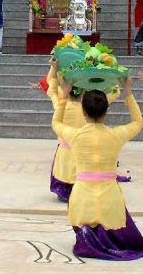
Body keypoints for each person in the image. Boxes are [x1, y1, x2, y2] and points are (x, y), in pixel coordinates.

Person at [53, 71, 143, 260]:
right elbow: (138, 123)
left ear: (83, 111)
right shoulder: (115, 135)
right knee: (112, 218)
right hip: (110, 199)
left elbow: (56, 122)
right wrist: (128, 92)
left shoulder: (75, 136)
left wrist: (64, 95)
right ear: (107, 111)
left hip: (81, 199)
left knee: (84, 216)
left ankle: (88, 241)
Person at [45, 59, 87, 202]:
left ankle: (64, 191)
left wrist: (54, 67)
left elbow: (50, 84)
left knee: (64, 168)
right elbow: (114, 93)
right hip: (83, 147)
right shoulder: (89, 107)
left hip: (64, 146)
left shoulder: (60, 105)